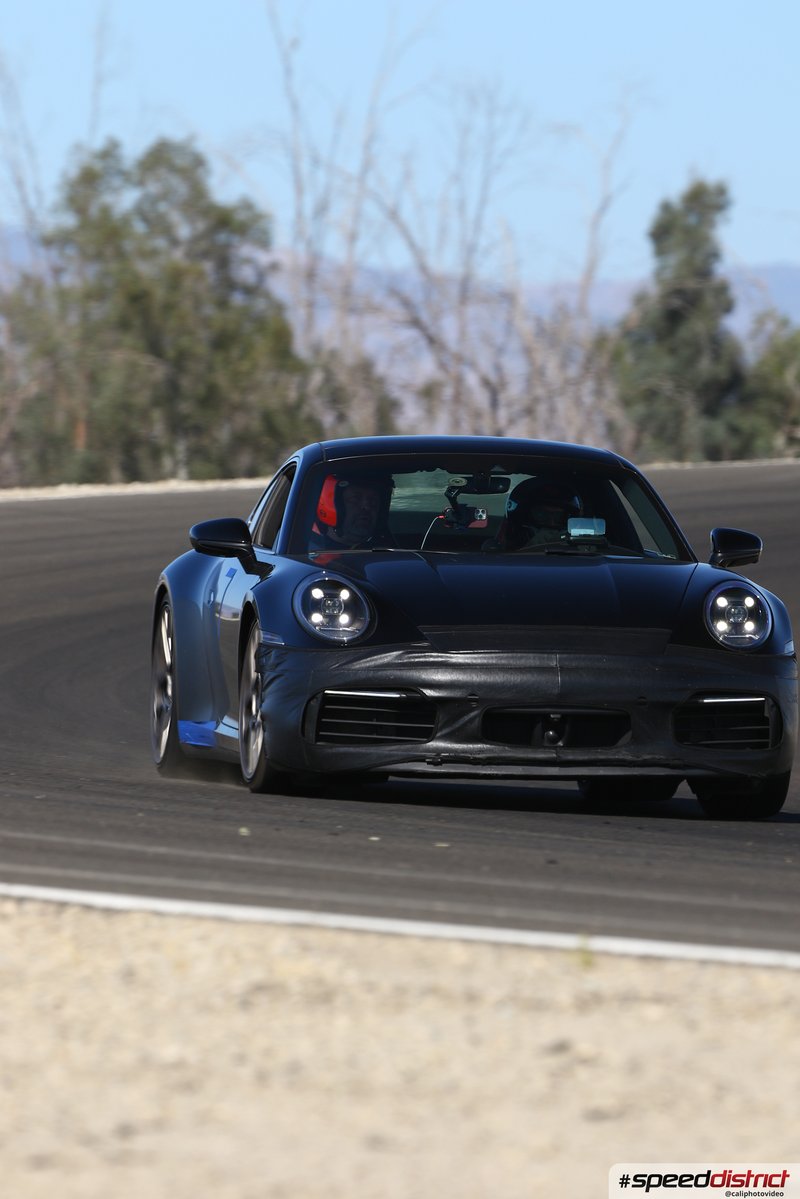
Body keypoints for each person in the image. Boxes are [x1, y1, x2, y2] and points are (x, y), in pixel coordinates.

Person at [309, 473, 391, 550]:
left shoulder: (389, 551)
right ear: (332, 505)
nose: (367, 507)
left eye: (373, 500)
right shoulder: (309, 552)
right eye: (355, 499)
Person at [498, 478, 583, 550]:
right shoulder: (496, 556)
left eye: (559, 517)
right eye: (542, 516)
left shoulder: (584, 555)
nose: (551, 523)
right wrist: (529, 549)